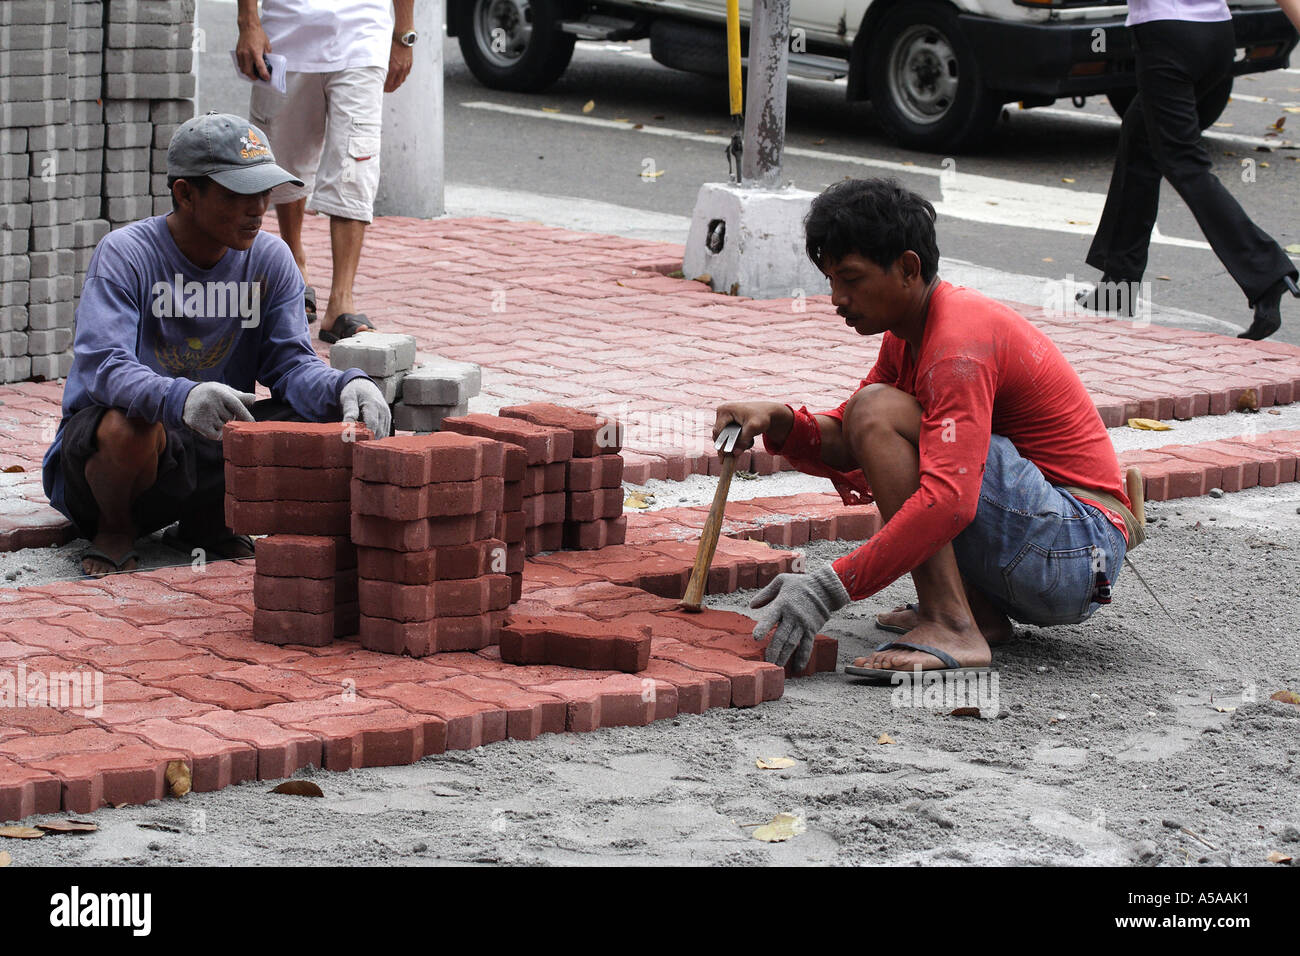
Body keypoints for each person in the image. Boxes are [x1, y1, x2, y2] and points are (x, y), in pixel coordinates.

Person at [716, 179, 1143, 680]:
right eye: (830, 279)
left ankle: (951, 624)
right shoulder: (910, 332)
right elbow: (855, 434)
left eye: (850, 279)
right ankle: (977, 616)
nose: (837, 298)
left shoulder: (957, 342)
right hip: (1060, 551)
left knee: (878, 411)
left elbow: (948, 498)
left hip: (1075, 550)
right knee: (872, 411)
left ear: (908, 267)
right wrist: (780, 419)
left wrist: (830, 586)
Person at [41, 113, 392, 578]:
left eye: (263, 192)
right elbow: (105, 367)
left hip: (214, 439)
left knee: (329, 415)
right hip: (118, 458)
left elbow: (291, 366)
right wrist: (180, 396)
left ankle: (207, 524)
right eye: (237, 195)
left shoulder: (271, 258)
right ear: (186, 194)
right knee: (130, 425)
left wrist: (347, 385)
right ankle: (116, 528)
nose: (258, 208)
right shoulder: (126, 254)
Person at [1078, 0, 1299, 339]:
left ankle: (1266, 271)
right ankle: (1117, 287)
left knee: (1184, 162)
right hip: (1218, 37)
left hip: (1168, 39)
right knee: (1140, 141)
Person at [235, 0, 415, 343]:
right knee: (281, 163)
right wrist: (248, 22)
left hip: (361, 37)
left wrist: (403, 35)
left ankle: (340, 303)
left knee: (354, 167)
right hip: (284, 36)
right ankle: (295, 267)